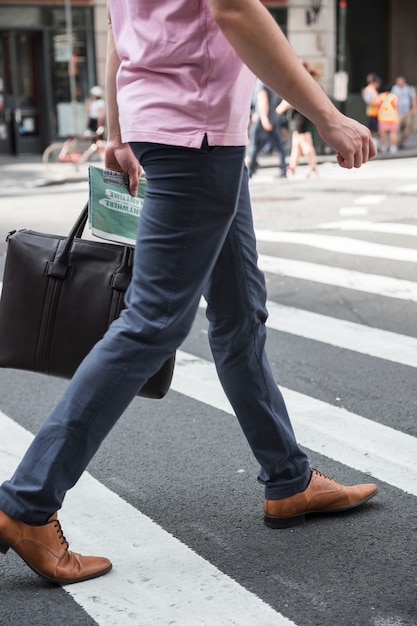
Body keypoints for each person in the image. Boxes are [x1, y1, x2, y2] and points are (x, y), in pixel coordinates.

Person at [0, 0, 377, 586]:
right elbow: (232, 9)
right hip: (193, 134)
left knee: (239, 311)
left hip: (185, 131)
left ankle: (288, 479)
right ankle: (26, 503)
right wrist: (325, 114)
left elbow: (115, 25)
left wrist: (118, 130)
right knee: (152, 321)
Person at [276, 62, 319, 178]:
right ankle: (292, 168)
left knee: (305, 143)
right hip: (300, 116)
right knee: (296, 144)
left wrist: (278, 110)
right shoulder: (307, 81)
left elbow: (289, 99)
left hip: (298, 117)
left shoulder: (300, 81)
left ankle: (313, 169)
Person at [247, 79, 287, 178]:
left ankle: (250, 170)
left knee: (254, 145)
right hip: (272, 117)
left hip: (262, 118)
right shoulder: (270, 81)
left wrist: (264, 118)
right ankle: (283, 169)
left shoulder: (261, 82)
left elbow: (263, 100)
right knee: (278, 144)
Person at [391, 76, 417, 149]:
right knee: (397, 128)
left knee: (407, 127)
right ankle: (396, 142)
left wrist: (414, 108)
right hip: (398, 112)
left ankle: (403, 141)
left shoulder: (408, 88)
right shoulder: (394, 89)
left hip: (407, 111)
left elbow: (413, 98)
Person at [361, 73, 382, 148]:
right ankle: (371, 144)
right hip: (371, 113)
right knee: (372, 129)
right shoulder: (369, 89)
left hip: (375, 112)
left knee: (375, 129)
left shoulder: (373, 89)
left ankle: (374, 144)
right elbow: (368, 100)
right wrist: (377, 103)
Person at [377, 87, 399, 153]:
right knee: (393, 133)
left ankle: (383, 147)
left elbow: (377, 105)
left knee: (383, 133)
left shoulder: (380, 96)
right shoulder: (394, 96)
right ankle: (393, 147)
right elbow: (396, 105)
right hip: (392, 117)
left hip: (383, 117)